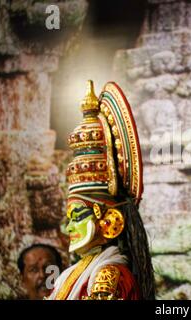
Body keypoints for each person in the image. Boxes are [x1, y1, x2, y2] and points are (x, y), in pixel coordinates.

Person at [46, 80, 155, 300]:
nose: (69, 227)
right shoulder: (70, 276)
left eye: (77, 216)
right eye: (69, 218)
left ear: (109, 221)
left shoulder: (107, 276)